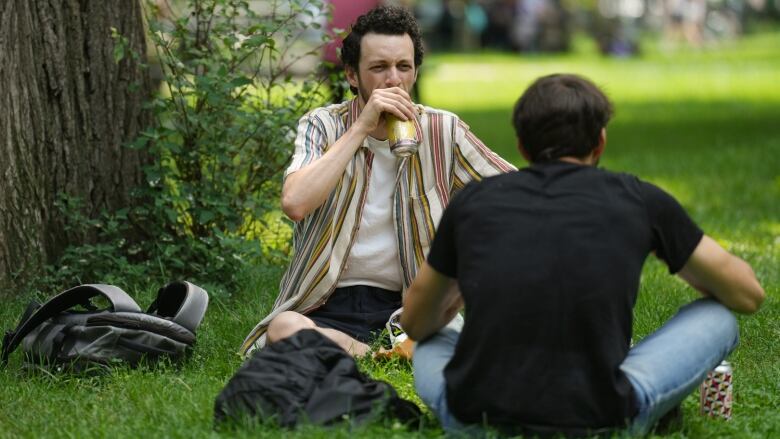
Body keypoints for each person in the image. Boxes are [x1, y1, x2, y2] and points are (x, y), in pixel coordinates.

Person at [401, 74, 765, 436]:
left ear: (522, 146)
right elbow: (747, 295)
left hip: (475, 419)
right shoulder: (639, 200)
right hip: (602, 418)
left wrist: (461, 292)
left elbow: (415, 324)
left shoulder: (473, 202)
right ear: (600, 142)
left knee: (437, 333)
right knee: (719, 317)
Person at [239, 6, 514, 358]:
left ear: (415, 71)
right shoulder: (323, 125)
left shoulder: (442, 130)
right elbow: (295, 203)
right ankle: (376, 353)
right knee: (284, 327)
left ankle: (386, 346)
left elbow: (516, 193)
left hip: (409, 307)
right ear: (353, 76)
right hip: (326, 303)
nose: (393, 80)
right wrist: (361, 128)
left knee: (461, 335)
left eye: (403, 67)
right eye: (379, 68)